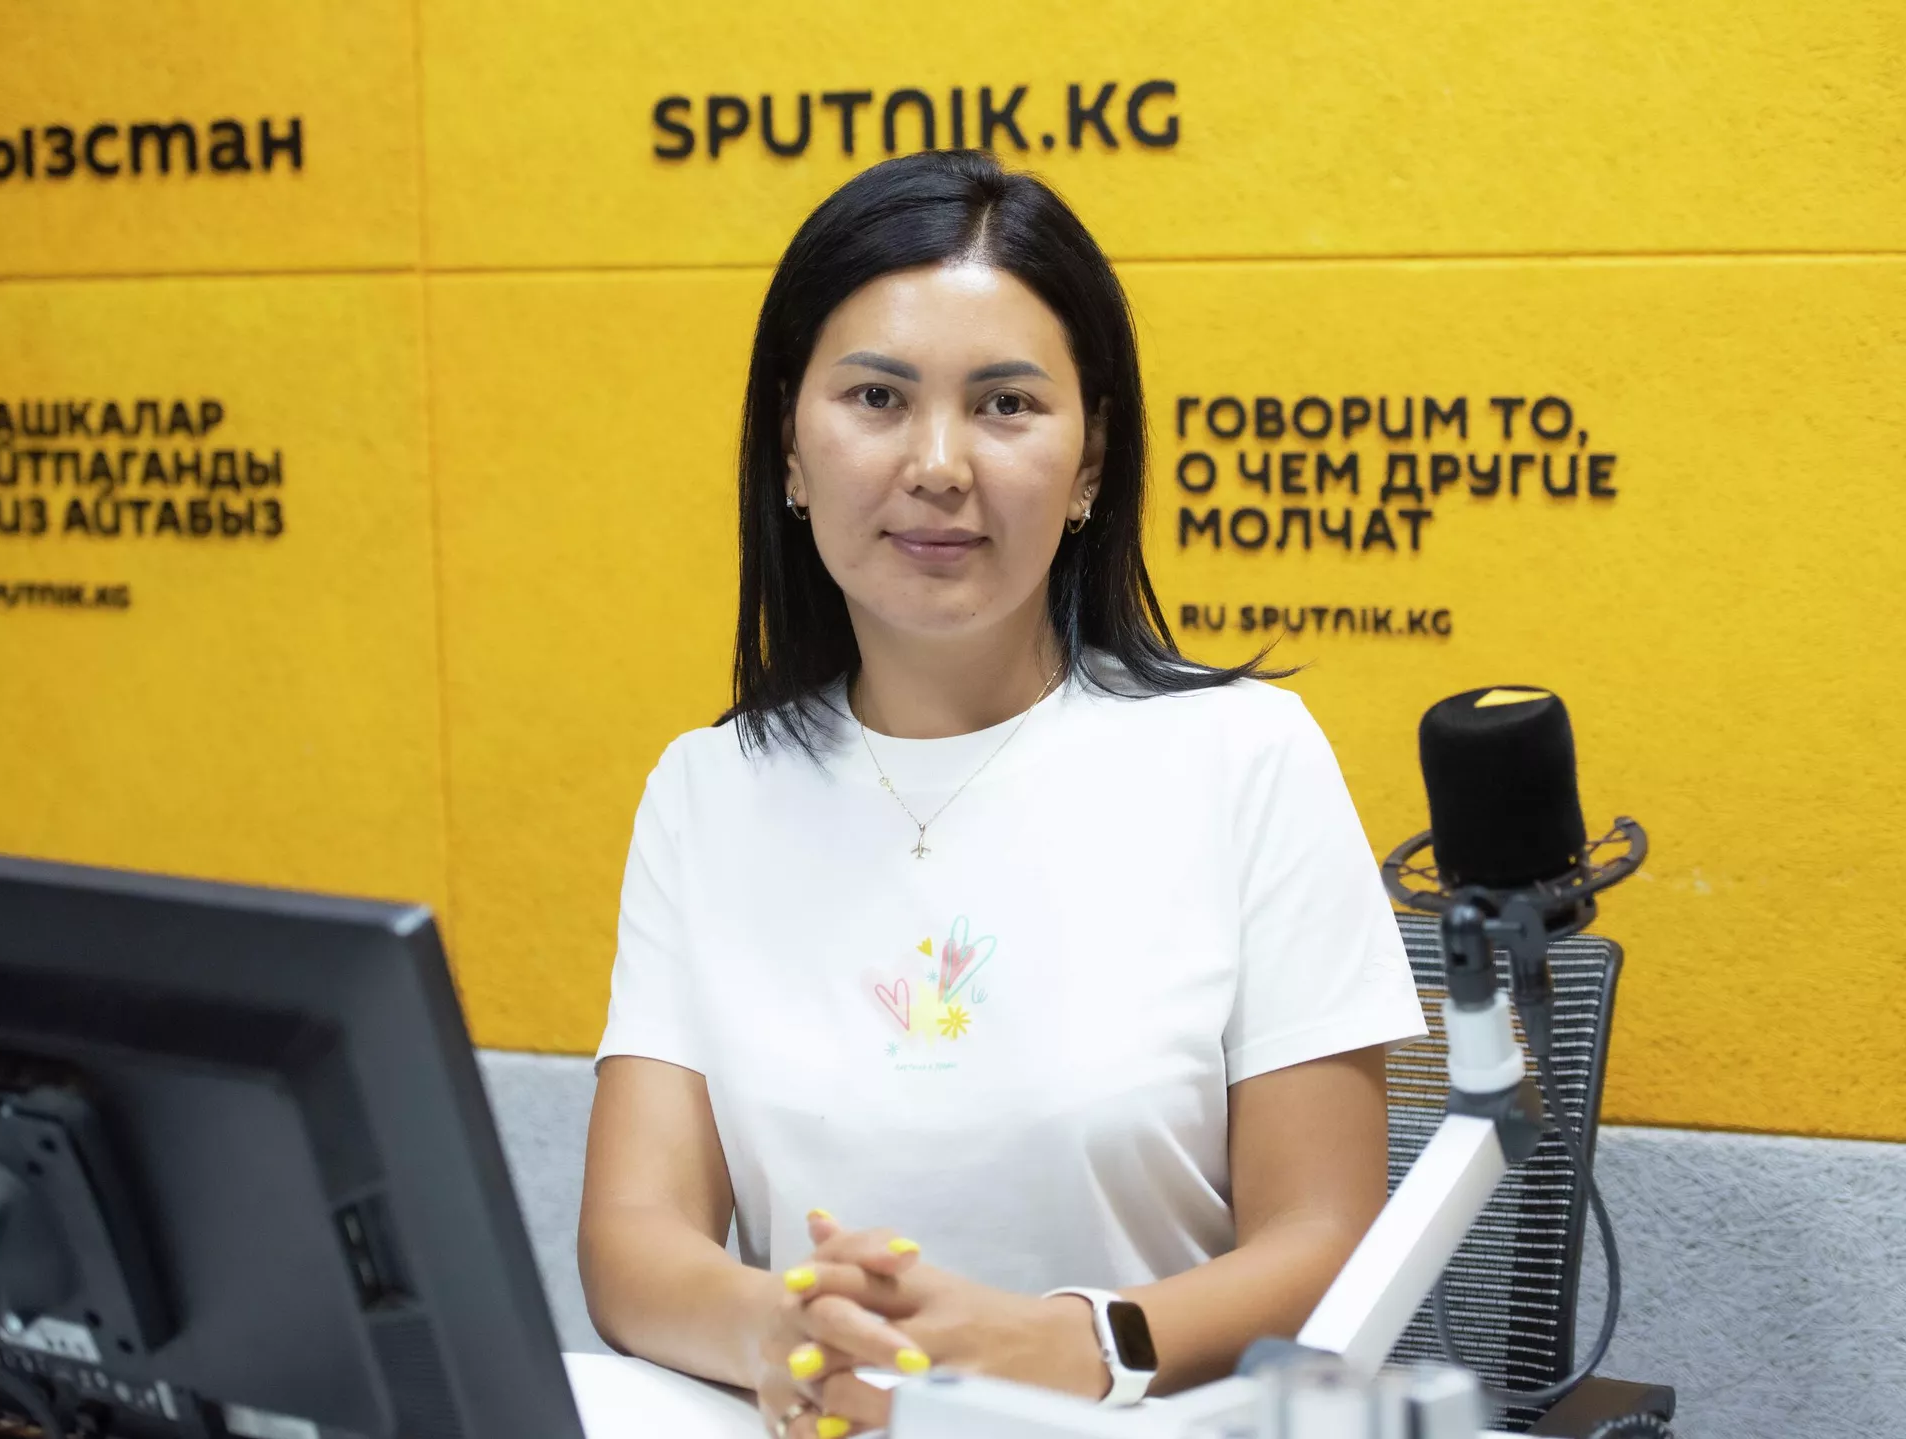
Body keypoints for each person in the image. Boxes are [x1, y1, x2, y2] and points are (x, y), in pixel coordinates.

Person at [577, 148, 1427, 1439]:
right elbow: (635, 1240)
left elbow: (1329, 1240)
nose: (938, 464)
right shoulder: (709, 790)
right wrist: (787, 1335)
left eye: (1006, 405)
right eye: (876, 397)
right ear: (790, 449)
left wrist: (1069, 1345)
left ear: (1089, 464)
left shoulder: (1242, 756)